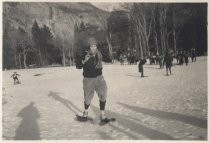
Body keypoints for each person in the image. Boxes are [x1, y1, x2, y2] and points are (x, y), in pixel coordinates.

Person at [76, 37, 110, 123]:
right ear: (89, 47)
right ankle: (85, 113)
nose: (94, 47)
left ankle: (102, 114)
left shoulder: (99, 54)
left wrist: (106, 53)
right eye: (92, 46)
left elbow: (109, 59)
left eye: (95, 46)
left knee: (103, 94)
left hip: (99, 78)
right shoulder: (84, 54)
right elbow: (78, 66)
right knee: (88, 97)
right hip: (88, 79)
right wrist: (84, 61)